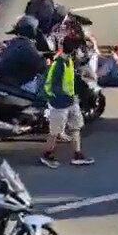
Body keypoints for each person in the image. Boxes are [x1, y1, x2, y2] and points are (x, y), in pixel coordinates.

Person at [39, 36, 95, 169]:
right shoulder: (59, 64)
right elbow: (55, 86)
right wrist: (63, 99)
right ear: (73, 50)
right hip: (59, 104)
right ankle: (46, 155)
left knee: (76, 127)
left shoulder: (68, 60)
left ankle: (77, 155)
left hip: (71, 101)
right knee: (55, 132)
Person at [0, 16, 48, 91]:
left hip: (3, 79)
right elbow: (41, 67)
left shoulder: (13, 43)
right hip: (16, 86)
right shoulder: (27, 47)